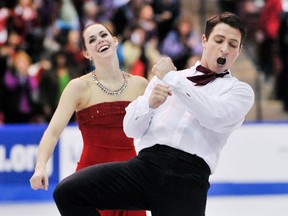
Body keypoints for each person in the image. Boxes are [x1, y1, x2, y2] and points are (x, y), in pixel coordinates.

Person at [52, 12, 255, 216]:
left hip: (188, 179)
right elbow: (131, 129)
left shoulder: (239, 92)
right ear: (204, 40)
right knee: (68, 192)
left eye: (232, 44)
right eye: (219, 40)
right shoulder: (170, 76)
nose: (224, 49)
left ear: (239, 51)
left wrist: (172, 78)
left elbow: (213, 116)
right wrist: (149, 105)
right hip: (145, 167)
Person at [29, 22, 148, 216]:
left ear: (115, 41)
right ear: (86, 54)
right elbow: (52, 132)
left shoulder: (140, 85)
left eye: (103, 35)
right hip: (91, 179)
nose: (99, 40)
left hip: (131, 179)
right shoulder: (78, 87)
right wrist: (40, 166)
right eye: (92, 40)